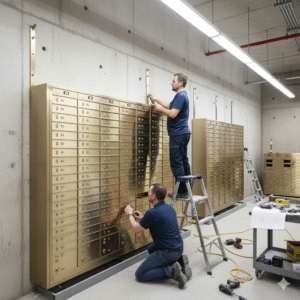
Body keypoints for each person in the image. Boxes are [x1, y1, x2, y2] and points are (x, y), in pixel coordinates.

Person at [124, 184, 192, 289]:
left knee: (140, 274)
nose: (148, 193)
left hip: (168, 252)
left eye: (149, 192)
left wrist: (129, 214)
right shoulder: (169, 207)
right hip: (179, 248)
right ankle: (180, 262)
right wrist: (143, 218)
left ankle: (171, 271)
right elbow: (158, 221)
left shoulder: (152, 213)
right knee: (151, 249)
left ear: (154, 196)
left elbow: (136, 231)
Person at [150, 73, 191, 197]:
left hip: (178, 134)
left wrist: (159, 109)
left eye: (174, 81)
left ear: (180, 83)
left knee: (176, 163)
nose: (171, 83)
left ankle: (182, 191)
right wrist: (156, 100)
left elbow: (172, 113)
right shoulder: (182, 96)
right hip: (183, 133)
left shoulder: (180, 96)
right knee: (183, 161)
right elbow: (169, 106)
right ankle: (188, 189)